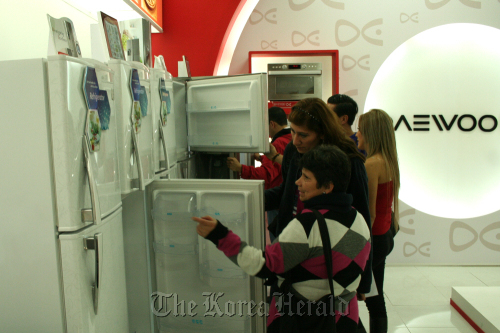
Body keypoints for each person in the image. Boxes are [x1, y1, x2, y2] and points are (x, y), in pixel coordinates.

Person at [193, 145, 371, 332]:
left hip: (304, 320)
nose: (297, 182)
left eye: (306, 178)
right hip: (345, 319)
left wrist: (220, 235)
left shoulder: (308, 224)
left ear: (328, 186)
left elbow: (263, 265)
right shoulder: (358, 220)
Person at [263, 98, 373, 309]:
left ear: (322, 132)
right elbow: (287, 191)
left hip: (332, 255)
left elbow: (362, 219)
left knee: (325, 320)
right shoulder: (293, 152)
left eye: (303, 135)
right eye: (293, 132)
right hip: (293, 241)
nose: (295, 140)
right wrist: (250, 198)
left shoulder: (349, 160)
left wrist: (363, 280)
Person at [356, 109, 400, 333]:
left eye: (360, 130)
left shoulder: (371, 164)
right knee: (375, 300)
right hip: (384, 237)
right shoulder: (389, 161)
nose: (357, 134)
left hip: (374, 240)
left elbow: (369, 213)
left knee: (351, 298)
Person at [226, 107, 292, 236]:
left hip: (277, 202)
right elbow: (281, 166)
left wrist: (241, 168)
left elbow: (267, 175)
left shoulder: (278, 143)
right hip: (287, 199)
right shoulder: (290, 138)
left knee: (277, 241)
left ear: (271, 124)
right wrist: (262, 158)